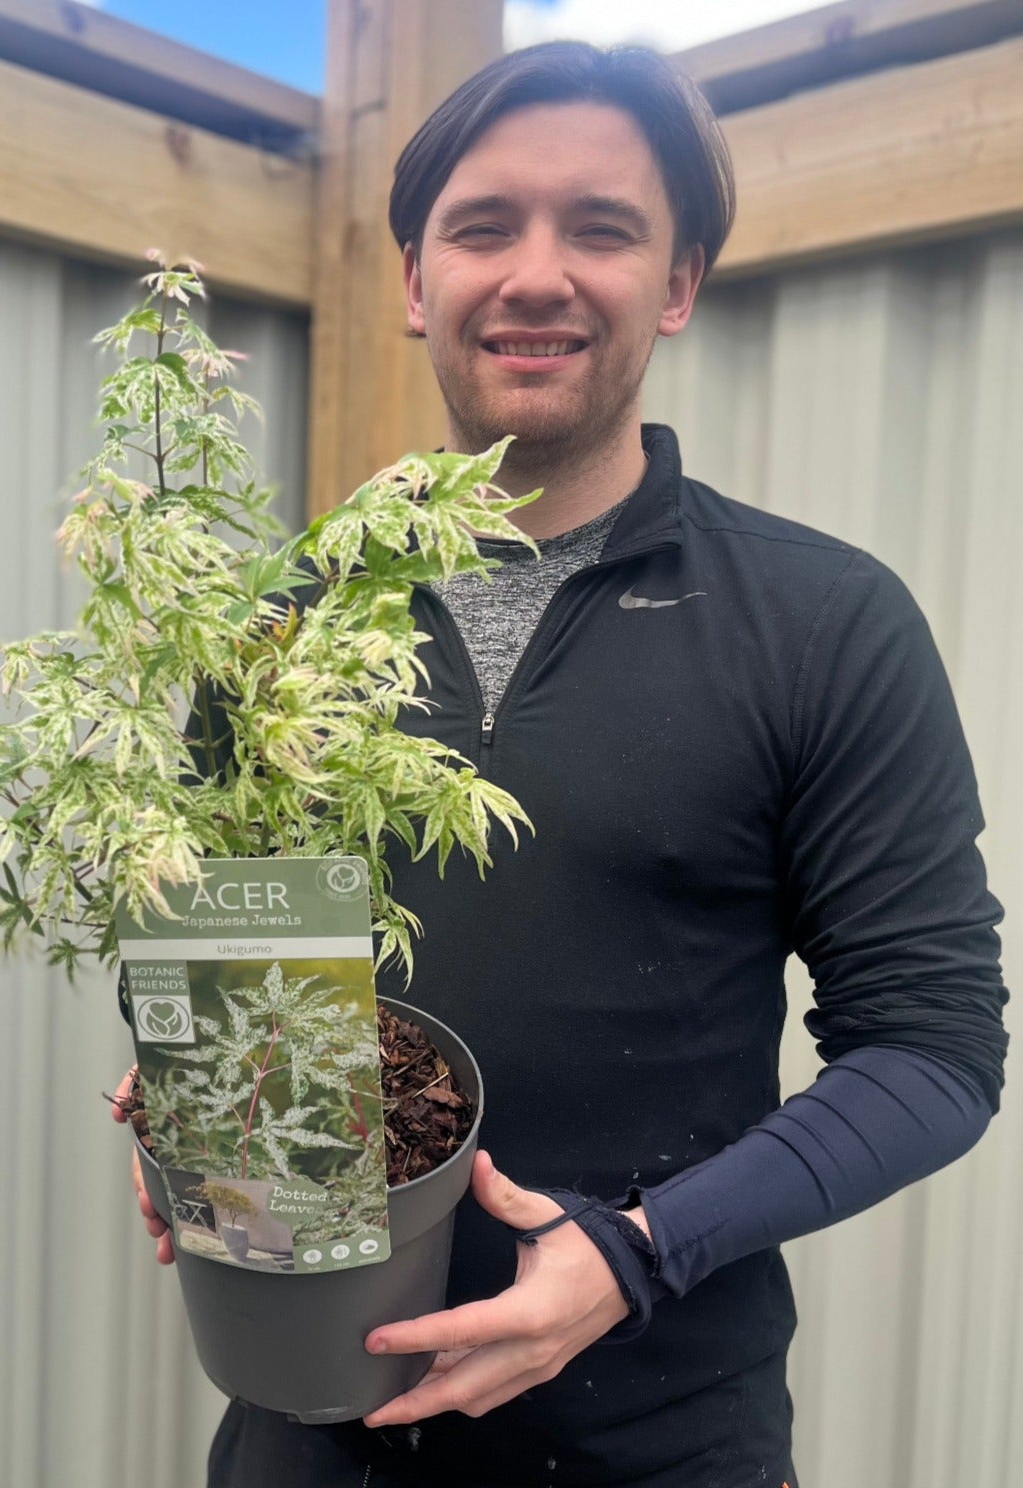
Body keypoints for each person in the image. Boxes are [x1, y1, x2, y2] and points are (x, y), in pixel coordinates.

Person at [112, 40, 1008, 1488]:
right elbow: (241, 960)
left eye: (602, 227)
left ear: (677, 282)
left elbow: (935, 1052)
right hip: (309, 1434)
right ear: (417, 284)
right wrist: (201, 1118)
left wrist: (635, 1255)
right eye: (484, 227)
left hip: (658, 1442)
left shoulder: (821, 624)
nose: (538, 274)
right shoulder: (279, 629)